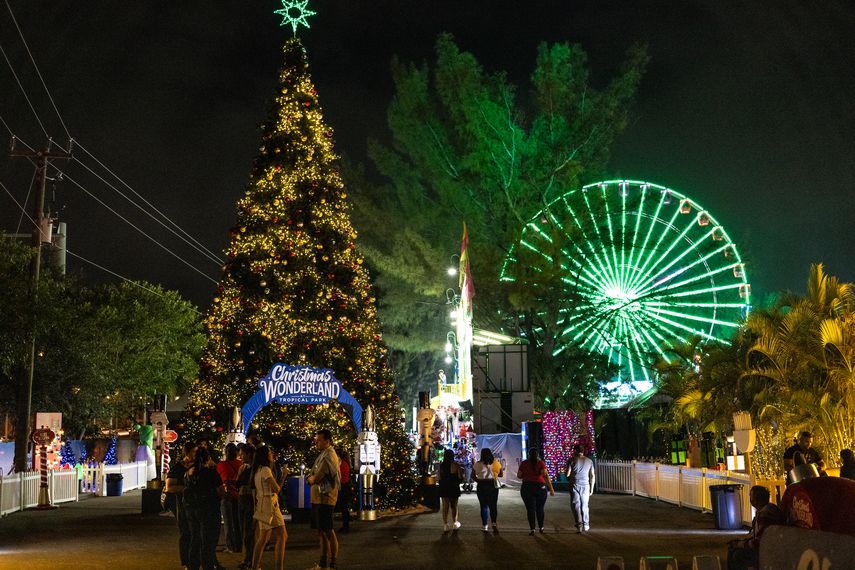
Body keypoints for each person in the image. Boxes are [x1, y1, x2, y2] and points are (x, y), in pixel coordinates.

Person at [183, 446, 225, 570]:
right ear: (208, 458)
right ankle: (207, 565)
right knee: (208, 540)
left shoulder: (189, 472)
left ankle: (193, 565)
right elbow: (221, 491)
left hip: (192, 509)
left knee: (195, 537)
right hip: (209, 509)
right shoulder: (211, 473)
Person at [727, 485, 785, 570]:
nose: (750, 499)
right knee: (734, 549)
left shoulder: (765, 515)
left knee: (736, 554)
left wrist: (740, 544)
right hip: (771, 547)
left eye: (751, 496)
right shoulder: (769, 510)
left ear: (756, 499)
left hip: (768, 551)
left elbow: (758, 542)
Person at [308, 429, 341, 570]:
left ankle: (332, 563)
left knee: (328, 530)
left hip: (325, 498)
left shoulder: (328, 456)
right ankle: (323, 562)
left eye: (319, 440)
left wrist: (311, 479)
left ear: (327, 441)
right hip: (319, 498)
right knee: (321, 531)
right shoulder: (324, 454)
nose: (316, 442)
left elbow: (316, 477)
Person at [250, 445, 288, 570]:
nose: (272, 454)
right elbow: (276, 489)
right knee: (282, 536)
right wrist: (283, 476)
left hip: (261, 505)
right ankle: (279, 567)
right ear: (265, 456)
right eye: (270, 452)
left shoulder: (257, 470)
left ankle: (254, 566)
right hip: (271, 505)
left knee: (263, 538)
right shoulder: (266, 470)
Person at [165, 441, 196, 570]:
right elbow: (169, 487)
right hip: (182, 505)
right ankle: (187, 562)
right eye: (194, 452)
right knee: (186, 532)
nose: (196, 454)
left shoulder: (197, 466)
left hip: (195, 505)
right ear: (187, 453)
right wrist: (187, 489)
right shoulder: (177, 469)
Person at [517, 448, 555, 535]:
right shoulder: (541, 463)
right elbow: (545, 476)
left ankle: (532, 529)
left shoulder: (524, 463)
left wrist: (527, 475)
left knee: (530, 509)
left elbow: (519, 475)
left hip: (527, 487)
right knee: (540, 508)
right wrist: (551, 489)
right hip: (540, 487)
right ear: (537, 454)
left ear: (528, 454)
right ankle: (541, 527)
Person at [217, 443, 243, 554]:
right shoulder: (241, 464)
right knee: (238, 522)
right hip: (239, 495)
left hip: (227, 495)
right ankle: (239, 545)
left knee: (228, 522)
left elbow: (218, 480)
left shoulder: (221, 465)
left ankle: (230, 546)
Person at [235, 444, 256, 570]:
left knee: (249, 531)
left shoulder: (255, 468)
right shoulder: (242, 467)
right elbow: (238, 482)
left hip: (250, 500)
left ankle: (250, 558)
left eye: (242, 454)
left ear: (249, 454)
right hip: (242, 499)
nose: (240, 456)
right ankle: (246, 557)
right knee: (244, 530)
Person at [566, 444, 595, 532]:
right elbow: (592, 475)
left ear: (575, 451)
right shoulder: (589, 461)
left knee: (576, 505)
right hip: (586, 485)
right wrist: (592, 488)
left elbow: (567, 474)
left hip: (574, 484)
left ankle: (579, 525)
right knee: (585, 505)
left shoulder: (571, 460)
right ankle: (586, 524)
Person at [473, 448, 502, 533]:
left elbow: (473, 475)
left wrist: (478, 480)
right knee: (493, 505)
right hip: (492, 485)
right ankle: (494, 523)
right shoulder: (496, 463)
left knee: (483, 506)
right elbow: (501, 474)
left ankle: (485, 525)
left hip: (481, 485)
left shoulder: (477, 464)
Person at [437, 448, 462, 531]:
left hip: (444, 487)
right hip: (454, 487)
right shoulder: (456, 465)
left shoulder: (441, 465)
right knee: (454, 506)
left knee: (445, 506)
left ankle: (445, 524)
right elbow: (460, 477)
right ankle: (455, 523)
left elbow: (438, 478)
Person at [337, 449, 353, 533]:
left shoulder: (343, 464)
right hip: (344, 486)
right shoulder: (345, 464)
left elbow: (339, 476)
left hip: (343, 487)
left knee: (344, 507)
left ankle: (346, 526)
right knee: (344, 507)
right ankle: (345, 525)